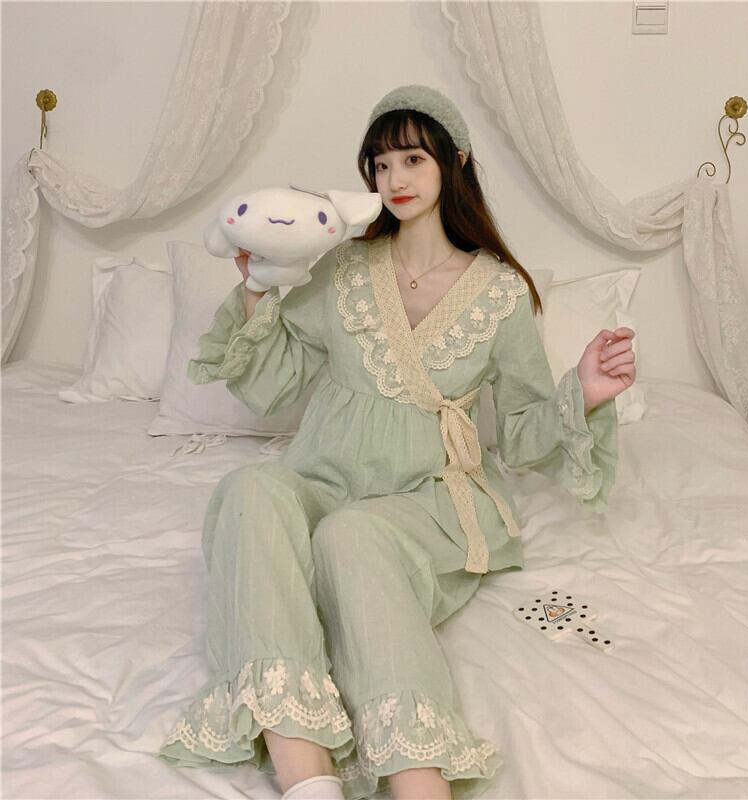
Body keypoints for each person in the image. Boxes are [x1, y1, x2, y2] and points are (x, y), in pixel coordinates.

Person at [157, 84, 636, 800]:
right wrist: (258, 290)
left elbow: (524, 431)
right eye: (380, 165)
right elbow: (275, 381)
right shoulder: (343, 266)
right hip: (325, 478)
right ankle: (305, 773)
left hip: (428, 497)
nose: (394, 179)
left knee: (352, 536)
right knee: (250, 490)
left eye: (413, 159)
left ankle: (418, 780)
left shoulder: (500, 293)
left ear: (455, 161)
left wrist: (586, 392)